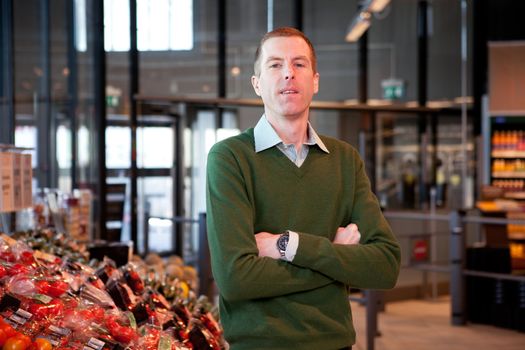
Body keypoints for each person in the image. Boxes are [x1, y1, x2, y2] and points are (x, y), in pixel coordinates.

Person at [206, 27, 400, 350]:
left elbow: (386, 266)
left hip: (335, 343)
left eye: (299, 64)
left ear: (315, 81)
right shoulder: (230, 159)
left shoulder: (345, 161)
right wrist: (334, 257)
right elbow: (235, 278)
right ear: (257, 84)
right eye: (275, 65)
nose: (288, 74)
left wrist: (288, 246)